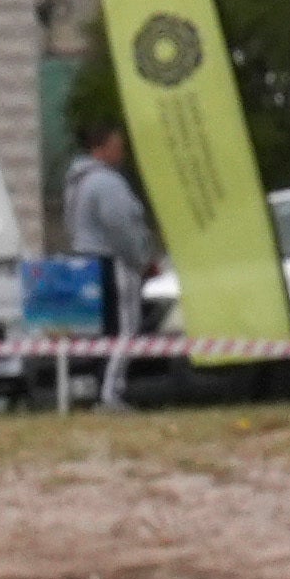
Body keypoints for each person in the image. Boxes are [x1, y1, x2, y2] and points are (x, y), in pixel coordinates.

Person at [62, 121, 165, 411]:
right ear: (102, 147)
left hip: (87, 262)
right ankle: (111, 393)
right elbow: (122, 227)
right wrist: (141, 260)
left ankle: (99, 391)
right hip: (114, 263)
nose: (121, 152)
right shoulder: (107, 182)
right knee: (125, 329)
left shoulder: (76, 182)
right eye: (117, 146)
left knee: (102, 331)